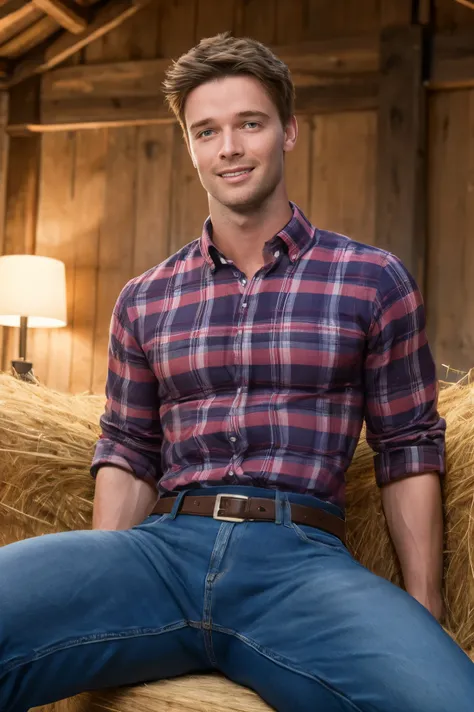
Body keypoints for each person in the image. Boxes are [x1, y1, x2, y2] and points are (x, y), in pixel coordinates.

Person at [0, 32, 473, 712]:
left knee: (447, 700)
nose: (229, 148)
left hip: (299, 564)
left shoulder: (370, 279)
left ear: (287, 133)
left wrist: (426, 607)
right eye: (207, 131)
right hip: (162, 555)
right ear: (191, 146)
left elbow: (408, 447)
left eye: (249, 124)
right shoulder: (145, 297)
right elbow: (129, 449)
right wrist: (102, 576)